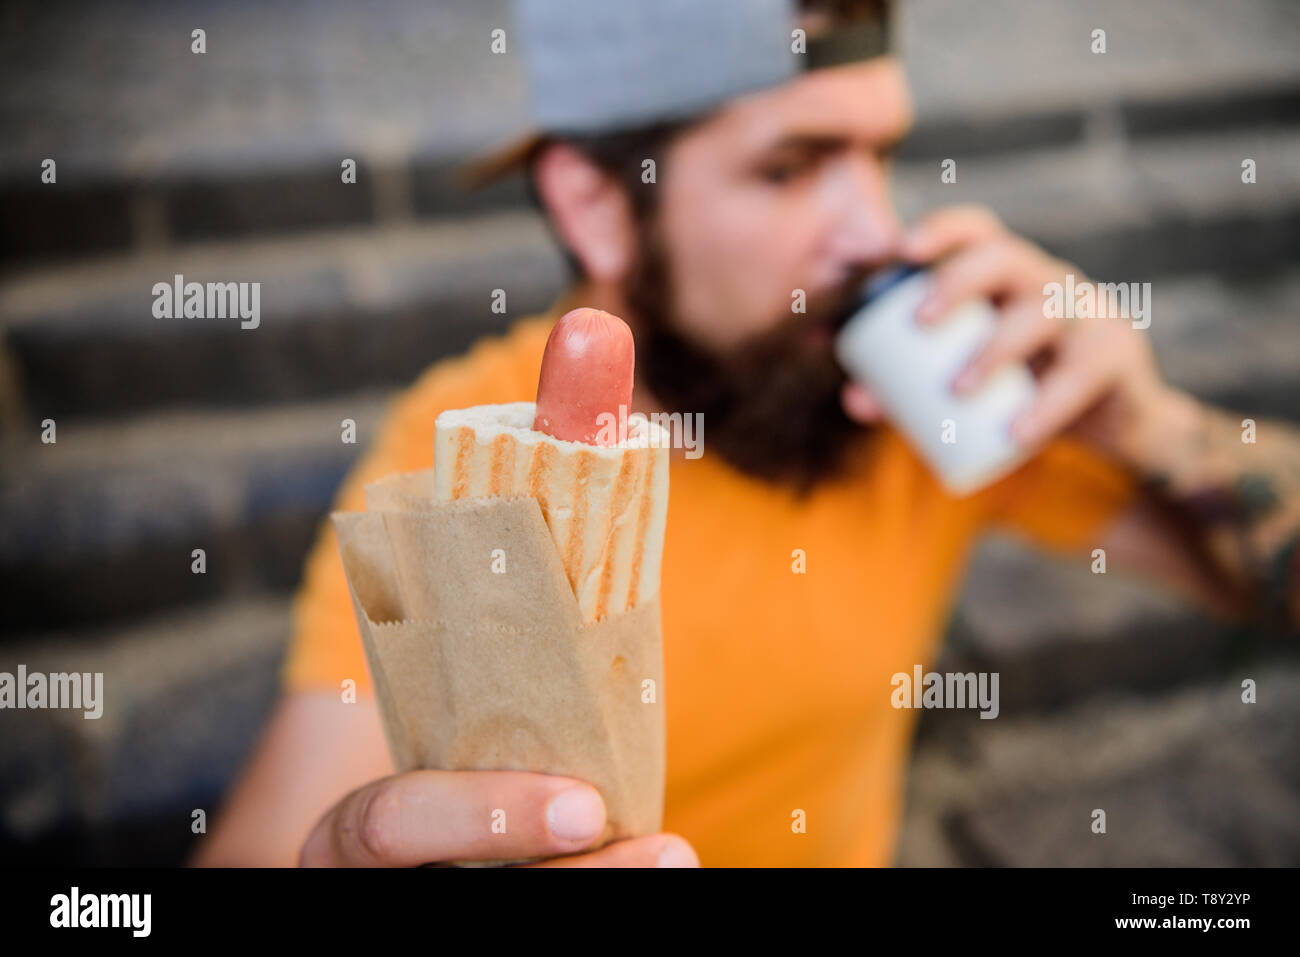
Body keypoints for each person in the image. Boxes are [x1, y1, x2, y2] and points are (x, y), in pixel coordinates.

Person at [193, 0, 1300, 867]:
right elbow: (263, 844)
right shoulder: (468, 455)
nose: (874, 231)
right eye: (789, 166)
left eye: (878, 156)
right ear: (592, 205)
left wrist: (1150, 425)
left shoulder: (906, 402)